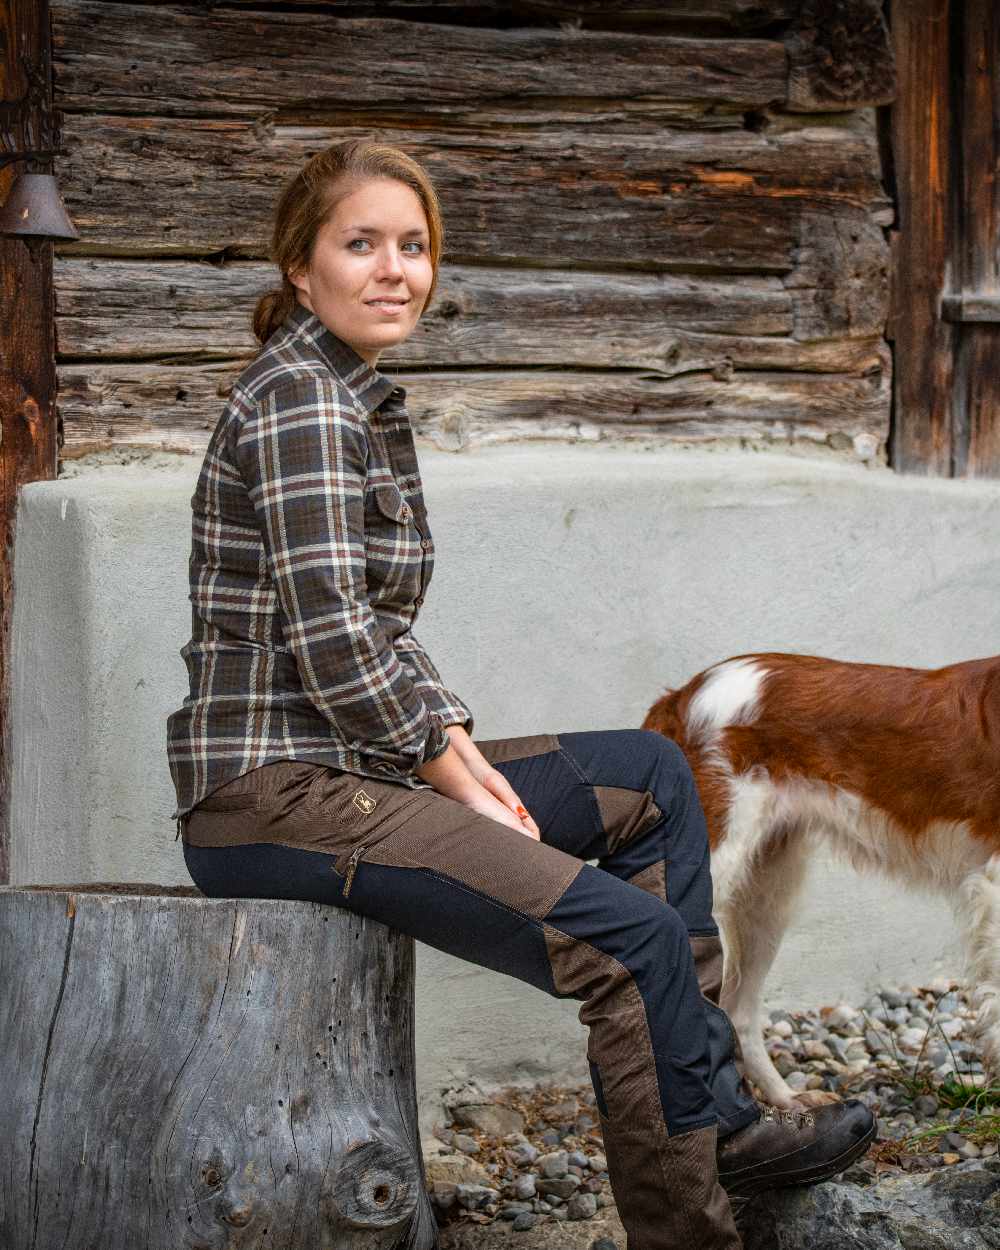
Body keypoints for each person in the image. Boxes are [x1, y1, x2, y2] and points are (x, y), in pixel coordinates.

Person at [166, 138, 876, 1248]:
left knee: (651, 775)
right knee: (631, 941)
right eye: (361, 244)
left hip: (348, 772)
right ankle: (691, 1219)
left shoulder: (346, 394)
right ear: (300, 268)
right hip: (279, 799)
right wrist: (458, 776)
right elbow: (336, 639)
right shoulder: (302, 401)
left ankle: (711, 1122)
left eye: (414, 246)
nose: (395, 270)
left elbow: (376, 635)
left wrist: (453, 743)